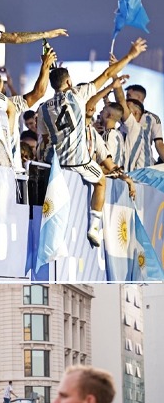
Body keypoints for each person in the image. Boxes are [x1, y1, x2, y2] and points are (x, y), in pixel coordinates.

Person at [37, 38, 147, 247]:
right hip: (78, 161)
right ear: (69, 82)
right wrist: (131, 55)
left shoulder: (43, 108)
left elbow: (44, 138)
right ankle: (94, 227)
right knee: (101, 181)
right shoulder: (77, 95)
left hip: (56, 165)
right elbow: (105, 75)